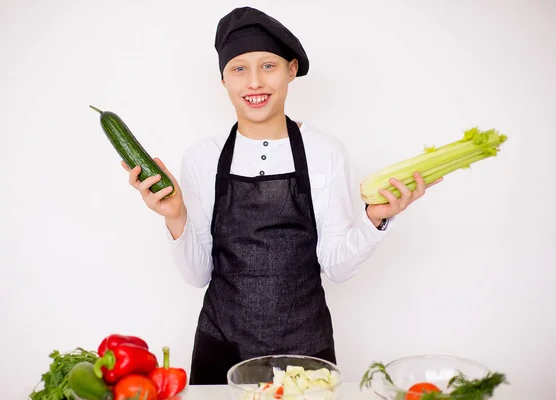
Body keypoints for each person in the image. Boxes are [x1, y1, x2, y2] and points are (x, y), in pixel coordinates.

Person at [122, 6, 441, 385]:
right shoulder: (203, 158)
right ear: (223, 79)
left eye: (268, 66)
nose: (254, 82)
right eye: (238, 68)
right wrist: (175, 216)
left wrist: (375, 220)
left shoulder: (325, 151)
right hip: (220, 350)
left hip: (306, 353)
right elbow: (197, 274)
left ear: (291, 70)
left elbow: (336, 267)